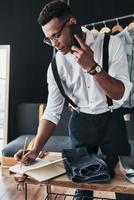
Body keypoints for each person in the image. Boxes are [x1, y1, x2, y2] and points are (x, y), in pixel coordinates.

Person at [15, 1, 133, 199]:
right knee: (81, 186)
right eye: (48, 39)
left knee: (125, 187)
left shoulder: (111, 44)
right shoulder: (55, 66)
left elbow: (119, 93)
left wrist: (92, 68)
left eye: (56, 35)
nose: (55, 44)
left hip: (112, 121)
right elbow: (52, 111)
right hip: (80, 124)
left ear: (72, 22)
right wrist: (35, 149)